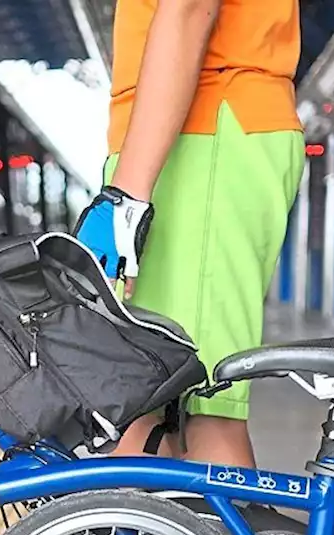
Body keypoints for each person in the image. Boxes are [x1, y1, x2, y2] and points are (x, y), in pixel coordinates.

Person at [83, 0, 305, 467]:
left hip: (205, 134)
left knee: (203, 408)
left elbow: (187, 7)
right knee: (149, 406)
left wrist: (126, 196)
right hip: (186, 138)